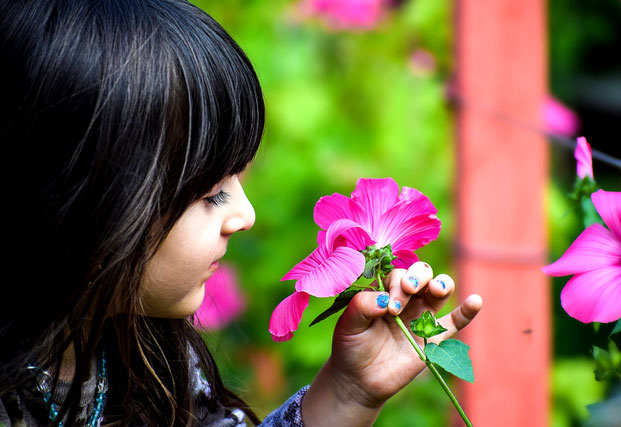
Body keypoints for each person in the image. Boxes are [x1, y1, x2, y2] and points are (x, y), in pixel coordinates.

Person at [0, 1, 483, 426]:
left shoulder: (153, 358)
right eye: (211, 194)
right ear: (72, 195)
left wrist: (346, 395)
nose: (245, 215)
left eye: (238, 180)